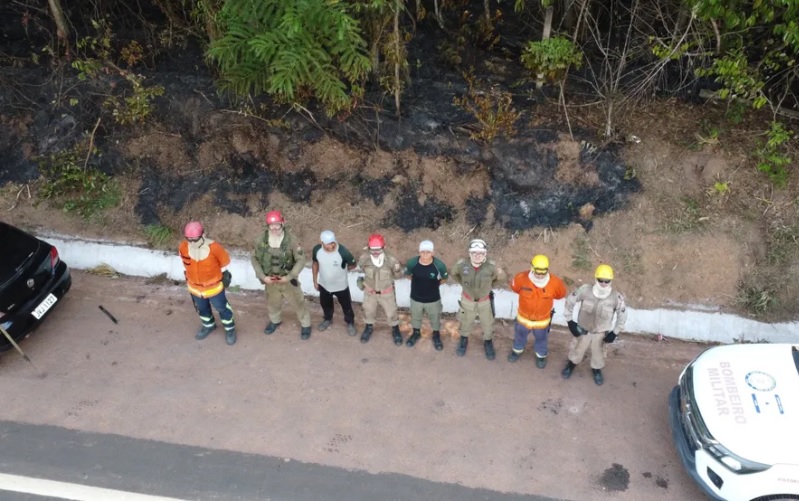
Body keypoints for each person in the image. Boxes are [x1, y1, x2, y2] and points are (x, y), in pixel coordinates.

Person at [561, 264, 628, 386]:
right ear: (595, 278)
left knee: (598, 355)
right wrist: (570, 321)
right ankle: (571, 365)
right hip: (582, 330)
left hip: (600, 334)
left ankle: (596, 370)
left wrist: (615, 332)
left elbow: (622, 316)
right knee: (577, 350)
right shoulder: (585, 290)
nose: (603, 283)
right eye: (600, 280)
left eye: (606, 281)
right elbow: (570, 301)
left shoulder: (616, 297)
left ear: (611, 280)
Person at [251, 210, 312, 339]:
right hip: (270, 280)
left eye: (277, 225)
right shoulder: (260, 240)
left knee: (298, 302)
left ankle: (306, 324)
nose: (274, 228)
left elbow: (301, 260)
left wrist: (289, 277)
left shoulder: (292, 240)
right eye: (271, 225)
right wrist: (263, 277)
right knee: (272, 303)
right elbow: (254, 259)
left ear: (282, 224)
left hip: (288, 279)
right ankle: (275, 321)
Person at [179, 221, 236, 345]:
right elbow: (185, 264)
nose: (192, 243)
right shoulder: (183, 247)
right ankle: (208, 325)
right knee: (202, 309)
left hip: (213, 288)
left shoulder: (214, 248)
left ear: (203, 235)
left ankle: (230, 329)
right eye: (189, 240)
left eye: (195, 239)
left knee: (222, 308)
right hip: (195, 288)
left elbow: (225, 263)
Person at [450, 239, 507, 360]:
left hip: (484, 302)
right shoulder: (461, 264)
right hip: (467, 300)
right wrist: (464, 284)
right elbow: (454, 274)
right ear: (469, 254)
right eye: (474, 253)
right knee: (465, 321)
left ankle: (488, 341)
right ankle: (464, 339)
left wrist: (489, 287)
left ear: (485, 254)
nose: (477, 256)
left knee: (487, 323)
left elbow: (501, 278)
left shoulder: (492, 266)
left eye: (480, 253)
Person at [508, 254, 567, 367]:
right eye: (537, 272)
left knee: (542, 339)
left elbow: (560, 294)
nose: (540, 276)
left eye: (543, 273)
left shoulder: (555, 283)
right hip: (523, 319)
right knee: (519, 336)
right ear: (532, 268)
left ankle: (541, 356)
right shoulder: (521, 278)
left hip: (542, 321)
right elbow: (515, 288)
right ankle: (517, 351)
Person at [356, 234, 404, 345]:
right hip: (370, 292)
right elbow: (361, 270)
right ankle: (368, 327)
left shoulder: (391, 260)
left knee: (391, 312)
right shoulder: (364, 259)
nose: (376, 253)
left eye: (378, 249)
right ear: (368, 248)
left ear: (384, 247)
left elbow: (397, 276)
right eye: (372, 250)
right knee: (368, 311)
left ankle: (395, 329)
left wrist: (397, 271)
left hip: (386, 293)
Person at [404, 240, 449, 351]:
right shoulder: (412, 263)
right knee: (416, 317)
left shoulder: (439, 265)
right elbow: (408, 275)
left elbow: (444, 279)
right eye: (422, 252)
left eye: (428, 252)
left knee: (435, 318)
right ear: (419, 252)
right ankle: (416, 333)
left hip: (433, 299)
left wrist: (433, 285)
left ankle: (436, 335)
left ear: (432, 253)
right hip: (416, 298)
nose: (425, 255)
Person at [312, 230, 357, 335]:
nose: (331, 246)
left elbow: (352, 265)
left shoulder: (343, 252)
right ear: (321, 243)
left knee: (346, 306)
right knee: (325, 304)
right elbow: (315, 264)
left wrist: (342, 270)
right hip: (324, 285)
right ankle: (328, 319)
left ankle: (350, 323)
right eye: (328, 244)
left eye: (333, 242)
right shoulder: (317, 250)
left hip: (341, 286)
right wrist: (315, 280)